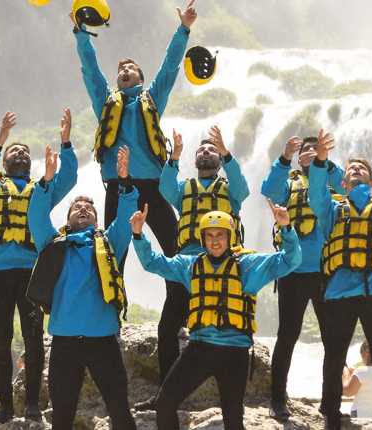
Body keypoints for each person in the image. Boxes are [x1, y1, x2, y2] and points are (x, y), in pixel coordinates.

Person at [72, 8, 197, 407]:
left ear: (140, 79)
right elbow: (91, 72)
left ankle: (182, 312)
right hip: (119, 189)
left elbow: (171, 67)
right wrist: (80, 35)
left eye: (131, 68)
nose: (125, 71)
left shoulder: (152, 98)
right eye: (121, 68)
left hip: (154, 190)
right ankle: (108, 319)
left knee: (176, 252)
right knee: (113, 256)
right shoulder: (106, 102)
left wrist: (184, 29)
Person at [131, 204, 302, 430]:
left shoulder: (249, 266)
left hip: (234, 353)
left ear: (229, 237)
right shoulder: (190, 265)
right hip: (199, 349)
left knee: (233, 421)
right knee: (164, 403)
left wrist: (286, 228)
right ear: (202, 239)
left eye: (220, 235)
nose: (215, 241)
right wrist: (138, 235)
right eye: (209, 235)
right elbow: (153, 262)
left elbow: (291, 260)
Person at [0, 109, 78, 423]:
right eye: (13, 151)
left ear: (31, 164)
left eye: (25, 152)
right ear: (4, 164)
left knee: (33, 338)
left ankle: (32, 403)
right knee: (0, 339)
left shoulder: (41, 191)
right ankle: (5, 404)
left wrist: (66, 141)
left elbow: (69, 178)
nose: (20, 153)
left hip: (32, 272)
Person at [27, 146, 137, 430]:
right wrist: (45, 182)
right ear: (68, 220)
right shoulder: (52, 246)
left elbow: (126, 218)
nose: (83, 209)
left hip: (103, 339)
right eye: (77, 208)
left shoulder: (109, 242)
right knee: (62, 415)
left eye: (89, 208)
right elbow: (36, 218)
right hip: (64, 342)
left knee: (120, 409)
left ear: (97, 221)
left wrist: (125, 182)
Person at [308, 129, 372, 430]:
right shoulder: (331, 210)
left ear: (370, 181)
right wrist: (320, 162)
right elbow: (316, 195)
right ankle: (331, 417)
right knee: (334, 357)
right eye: (351, 168)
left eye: (362, 169)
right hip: (339, 294)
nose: (356, 170)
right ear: (342, 182)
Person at [141, 125, 249, 408]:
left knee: (218, 325)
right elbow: (164, 188)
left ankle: (230, 394)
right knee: (167, 329)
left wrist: (226, 151)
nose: (205, 152)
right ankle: (165, 393)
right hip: (187, 263)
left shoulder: (230, 190)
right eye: (201, 150)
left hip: (223, 265)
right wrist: (173, 158)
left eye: (211, 150)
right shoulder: (184, 189)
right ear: (195, 160)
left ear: (219, 159)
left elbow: (243, 188)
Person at [260, 134, 344, 420]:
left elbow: (351, 185)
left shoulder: (332, 182)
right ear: (298, 158)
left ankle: (331, 404)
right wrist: (284, 159)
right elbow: (268, 190)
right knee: (287, 336)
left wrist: (326, 161)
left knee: (333, 340)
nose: (310, 152)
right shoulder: (289, 183)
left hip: (326, 272)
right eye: (305, 150)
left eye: (315, 149)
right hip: (292, 272)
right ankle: (277, 400)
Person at [342, 340, 372, 419]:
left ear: (365, 352)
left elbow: (347, 392)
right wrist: (354, 376)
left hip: (361, 414)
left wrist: (346, 374)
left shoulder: (362, 371)